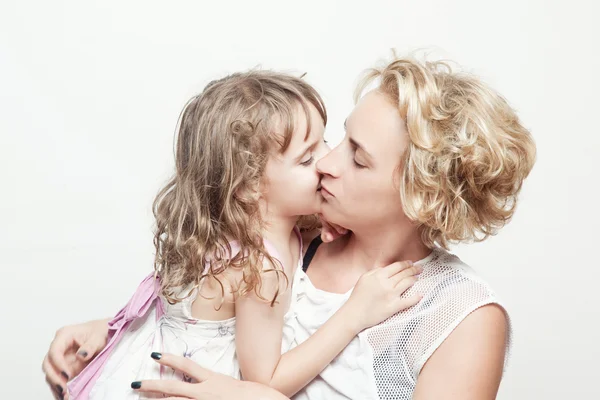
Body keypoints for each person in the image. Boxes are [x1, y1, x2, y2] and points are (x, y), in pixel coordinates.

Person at [43, 55, 536, 400]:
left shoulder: (459, 315)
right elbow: (206, 308)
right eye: (339, 139)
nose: (326, 164)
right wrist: (109, 338)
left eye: (357, 159)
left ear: (420, 195)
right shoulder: (293, 235)